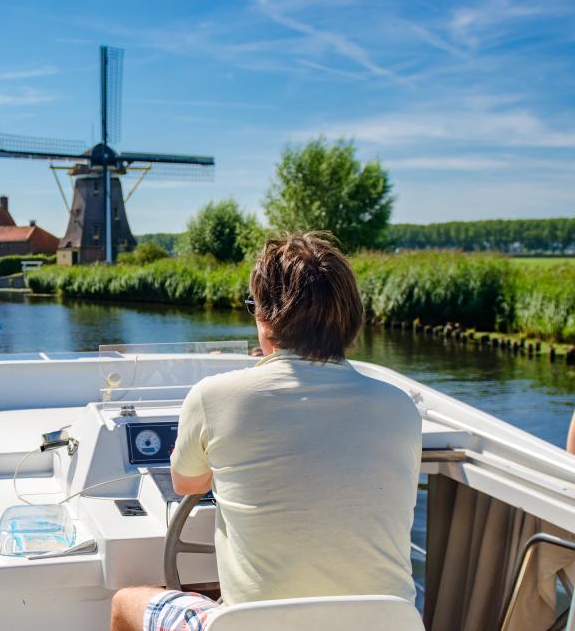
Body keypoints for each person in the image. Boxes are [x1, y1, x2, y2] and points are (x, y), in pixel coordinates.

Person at [110, 232, 423, 631]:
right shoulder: (400, 407)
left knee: (126, 602)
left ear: (265, 318)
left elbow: (187, 484)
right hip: (387, 625)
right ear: (351, 318)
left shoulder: (213, 396)